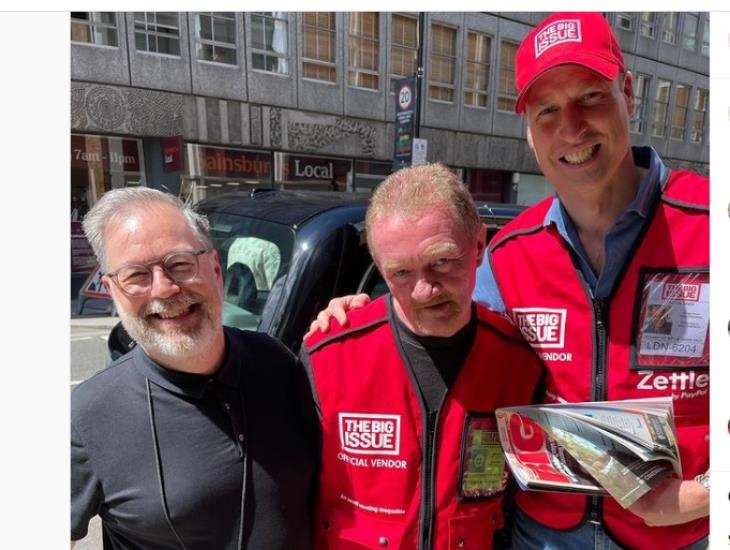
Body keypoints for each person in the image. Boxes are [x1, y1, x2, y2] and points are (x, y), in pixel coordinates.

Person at [308, 12, 709, 550]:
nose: (571, 128)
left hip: (682, 535)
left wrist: (706, 493)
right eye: (547, 110)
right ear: (528, 128)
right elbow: (436, 319)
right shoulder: (510, 252)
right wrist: (363, 312)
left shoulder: (712, 224)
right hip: (541, 534)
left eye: (590, 96)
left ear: (629, 94)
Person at [301, 163, 544, 549]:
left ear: (479, 246)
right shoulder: (328, 355)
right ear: (380, 268)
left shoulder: (519, 361)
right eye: (401, 273)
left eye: (442, 262)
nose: (424, 291)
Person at [72, 187, 318, 549]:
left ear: (215, 269)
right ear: (112, 290)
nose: (165, 288)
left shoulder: (278, 363)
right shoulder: (89, 414)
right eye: (136, 275)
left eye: (180, 264)